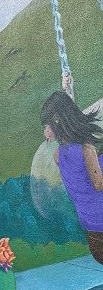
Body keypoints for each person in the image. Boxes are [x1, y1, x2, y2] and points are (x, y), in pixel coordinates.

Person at [41, 90, 103, 263]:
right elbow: (98, 184)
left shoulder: (58, 155)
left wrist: (69, 90)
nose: (45, 132)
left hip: (91, 228)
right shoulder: (86, 149)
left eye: (46, 126)